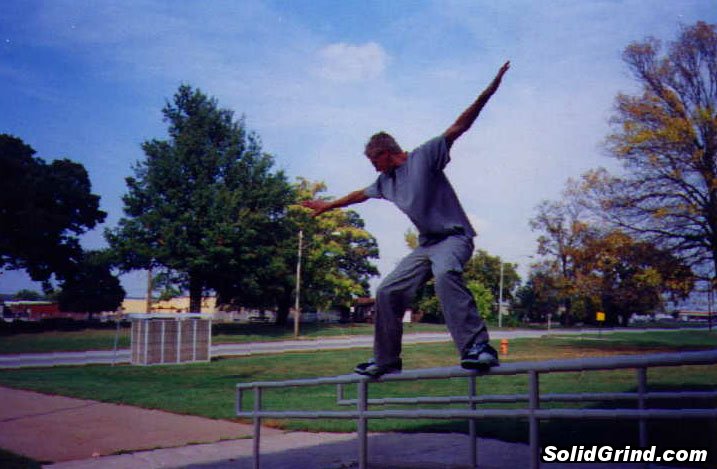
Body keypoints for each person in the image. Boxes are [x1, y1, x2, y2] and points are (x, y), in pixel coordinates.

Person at [302, 61, 511, 377]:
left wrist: (490, 89)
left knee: (445, 276)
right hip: (426, 246)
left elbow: (459, 126)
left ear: (388, 152)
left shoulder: (424, 157)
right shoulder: (386, 182)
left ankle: (478, 348)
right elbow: (359, 194)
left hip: (454, 238)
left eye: (375, 160)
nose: (374, 167)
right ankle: (386, 359)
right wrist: (327, 206)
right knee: (387, 291)